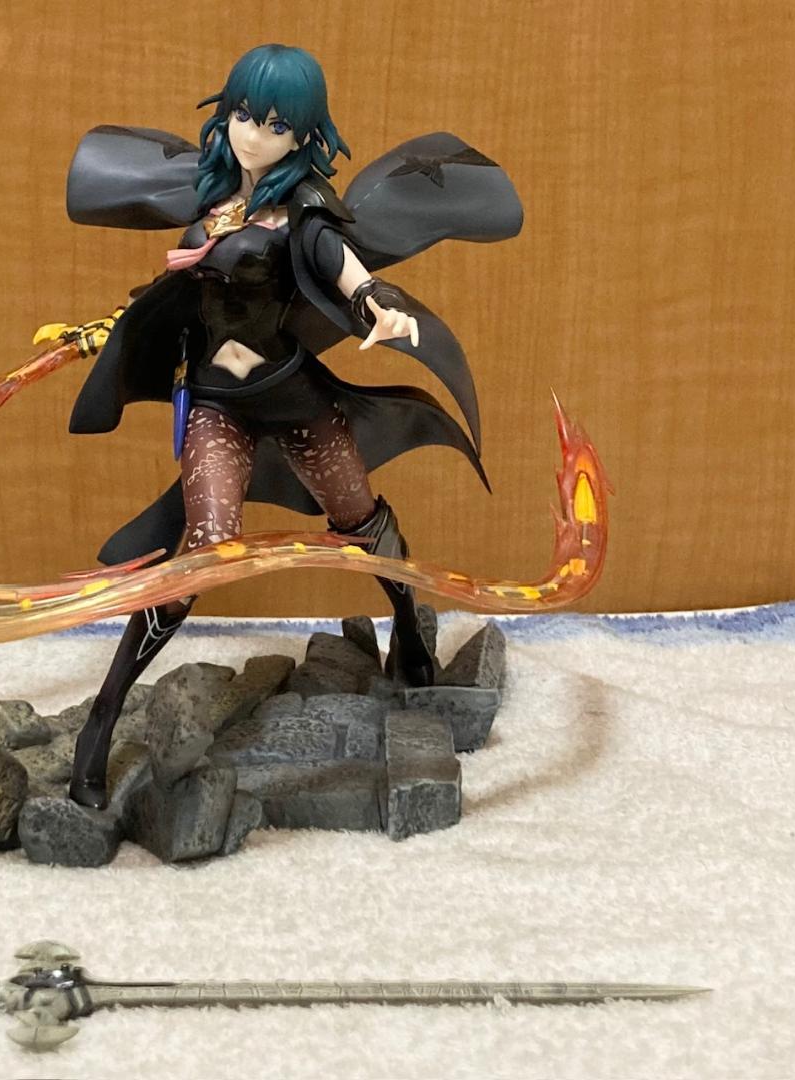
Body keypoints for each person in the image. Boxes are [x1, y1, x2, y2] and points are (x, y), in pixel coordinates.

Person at [42, 44, 523, 809]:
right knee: (202, 555)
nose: (254, 135)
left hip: (294, 399)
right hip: (216, 406)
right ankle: (101, 724)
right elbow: (170, 297)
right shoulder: (209, 202)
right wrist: (97, 333)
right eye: (244, 115)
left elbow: (353, 278)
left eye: (275, 125)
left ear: (303, 135)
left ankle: (409, 630)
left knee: (359, 519)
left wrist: (382, 311)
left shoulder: (305, 216)